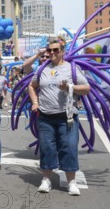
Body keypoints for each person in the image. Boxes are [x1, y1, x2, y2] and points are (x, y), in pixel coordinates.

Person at [28, 39, 90, 195]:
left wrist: (70, 87)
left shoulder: (72, 69)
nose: (52, 53)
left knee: (68, 148)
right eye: (50, 50)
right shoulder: (42, 69)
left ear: (63, 51)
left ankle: (72, 182)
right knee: (47, 148)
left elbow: (86, 88)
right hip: (45, 117)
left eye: (56, 50)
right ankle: (46, 180)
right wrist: (35, 102)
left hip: (67, 117)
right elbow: (32, 86)